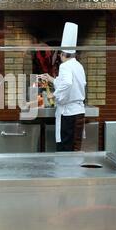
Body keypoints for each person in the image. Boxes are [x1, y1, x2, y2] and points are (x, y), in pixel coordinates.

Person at [40, 22, 87, 151]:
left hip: (68, 115)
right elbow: (70, 83)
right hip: (79, 112)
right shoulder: (78, 66)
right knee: (75, 147)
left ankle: (65, 171)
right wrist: (51, 79)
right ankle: (74, 171)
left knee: (65, 149)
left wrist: (53, 96)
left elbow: (67, 83)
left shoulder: (64, 66)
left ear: (62, 54)